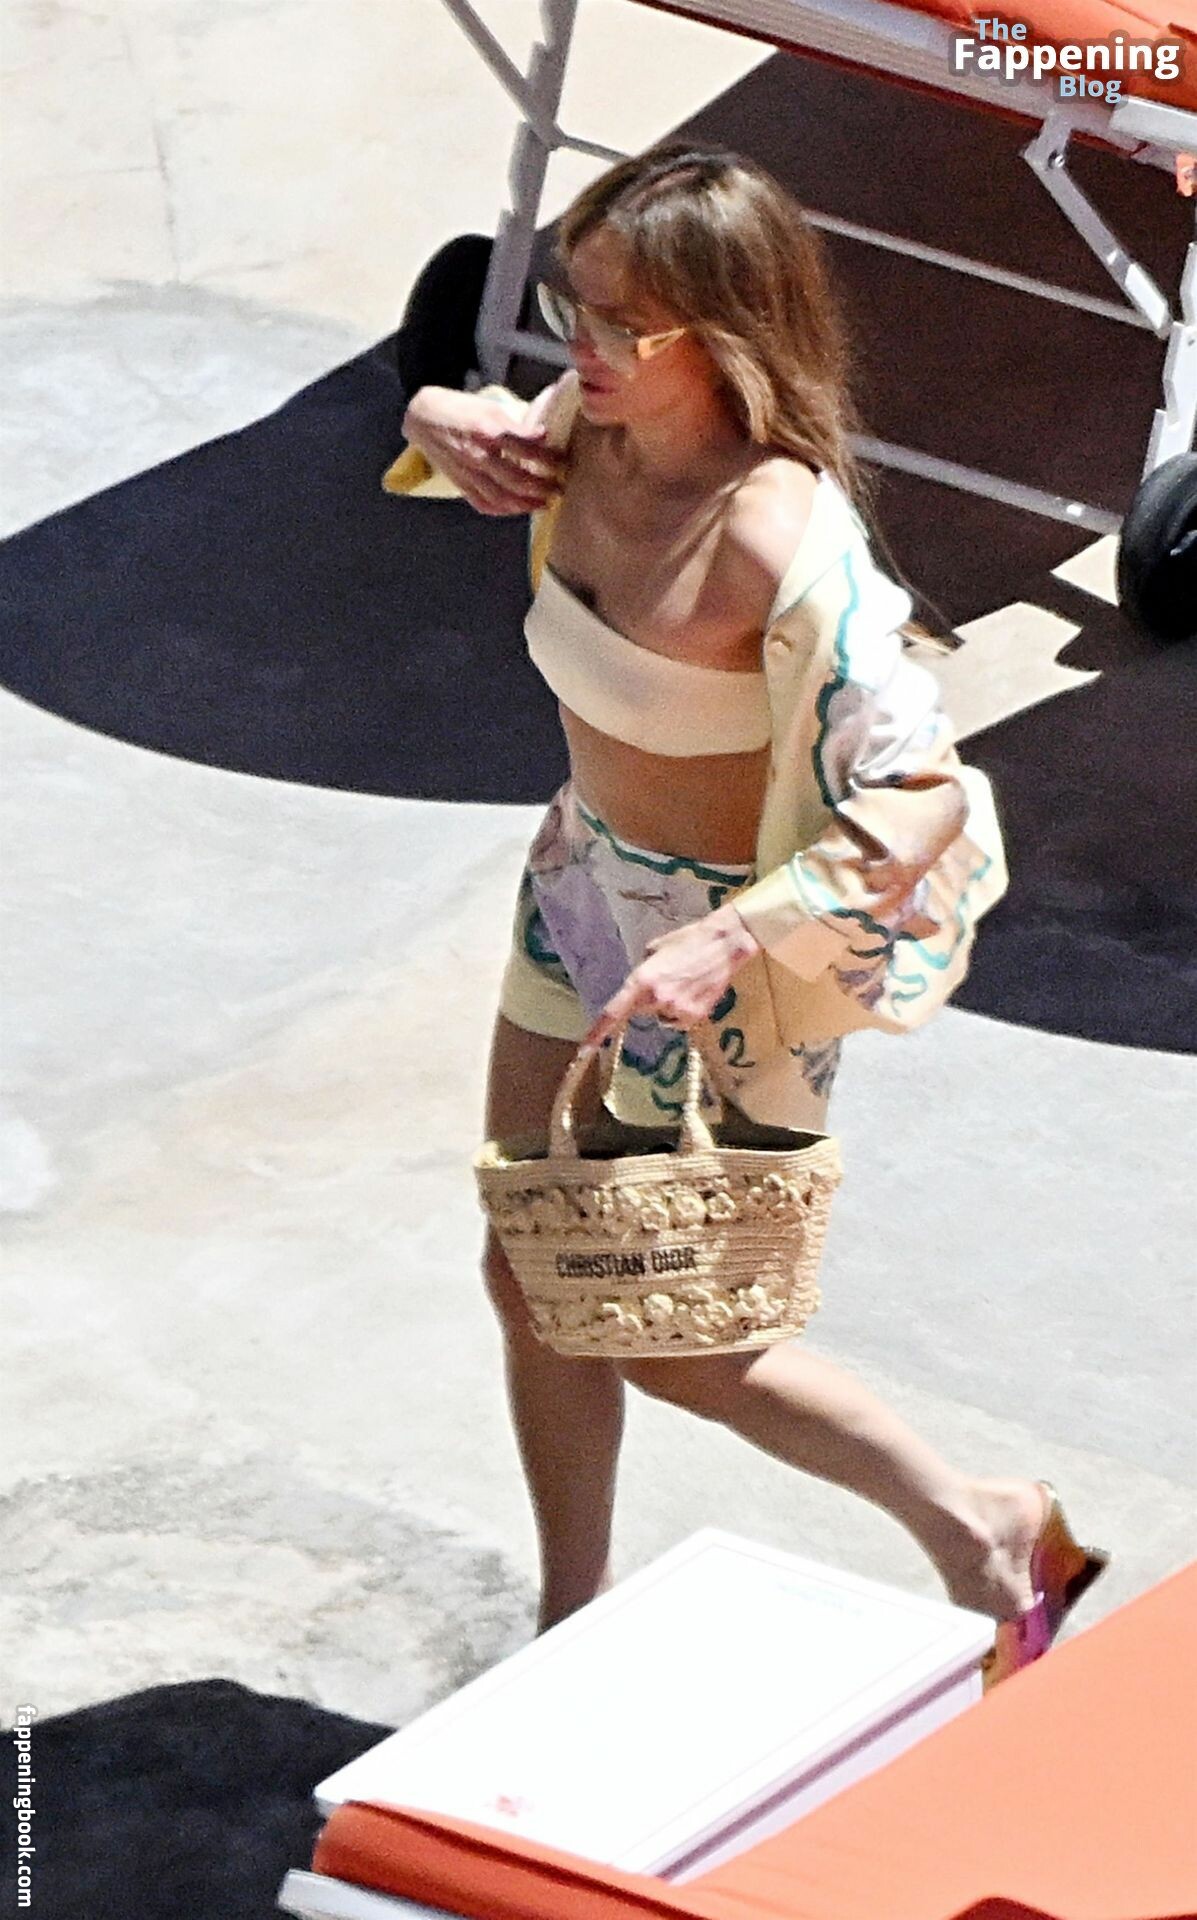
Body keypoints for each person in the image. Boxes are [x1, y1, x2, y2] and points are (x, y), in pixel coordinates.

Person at [391, 143, 1108, 1686]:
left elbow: (919, 793)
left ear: (719, 333)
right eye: (572, 308)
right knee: (530, 1271)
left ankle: (985, 1526)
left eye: (617, 323)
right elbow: (473, 434)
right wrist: (432, 413)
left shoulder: (784, 542)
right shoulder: (582, 428)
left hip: (732, 972)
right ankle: (569, 1624)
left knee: (685, 1342)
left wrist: (728, 938)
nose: (579, 347)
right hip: (579, 903)